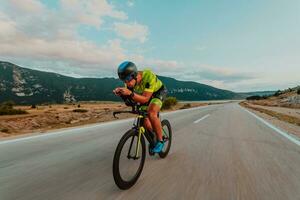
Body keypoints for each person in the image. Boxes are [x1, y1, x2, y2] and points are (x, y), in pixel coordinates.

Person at [113, 61, 167, 153]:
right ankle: (155, 133)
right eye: (124, 81)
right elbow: (131, 100)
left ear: (134, 75)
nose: (127, 83)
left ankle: (160, 140)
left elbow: (145, 99)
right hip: (145, 95)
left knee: (151, 112)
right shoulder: (129, 82)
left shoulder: (148, 76)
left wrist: (130, 93)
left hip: (158, 93)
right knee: (145, 120)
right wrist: (122, 94)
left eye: (128, 80)